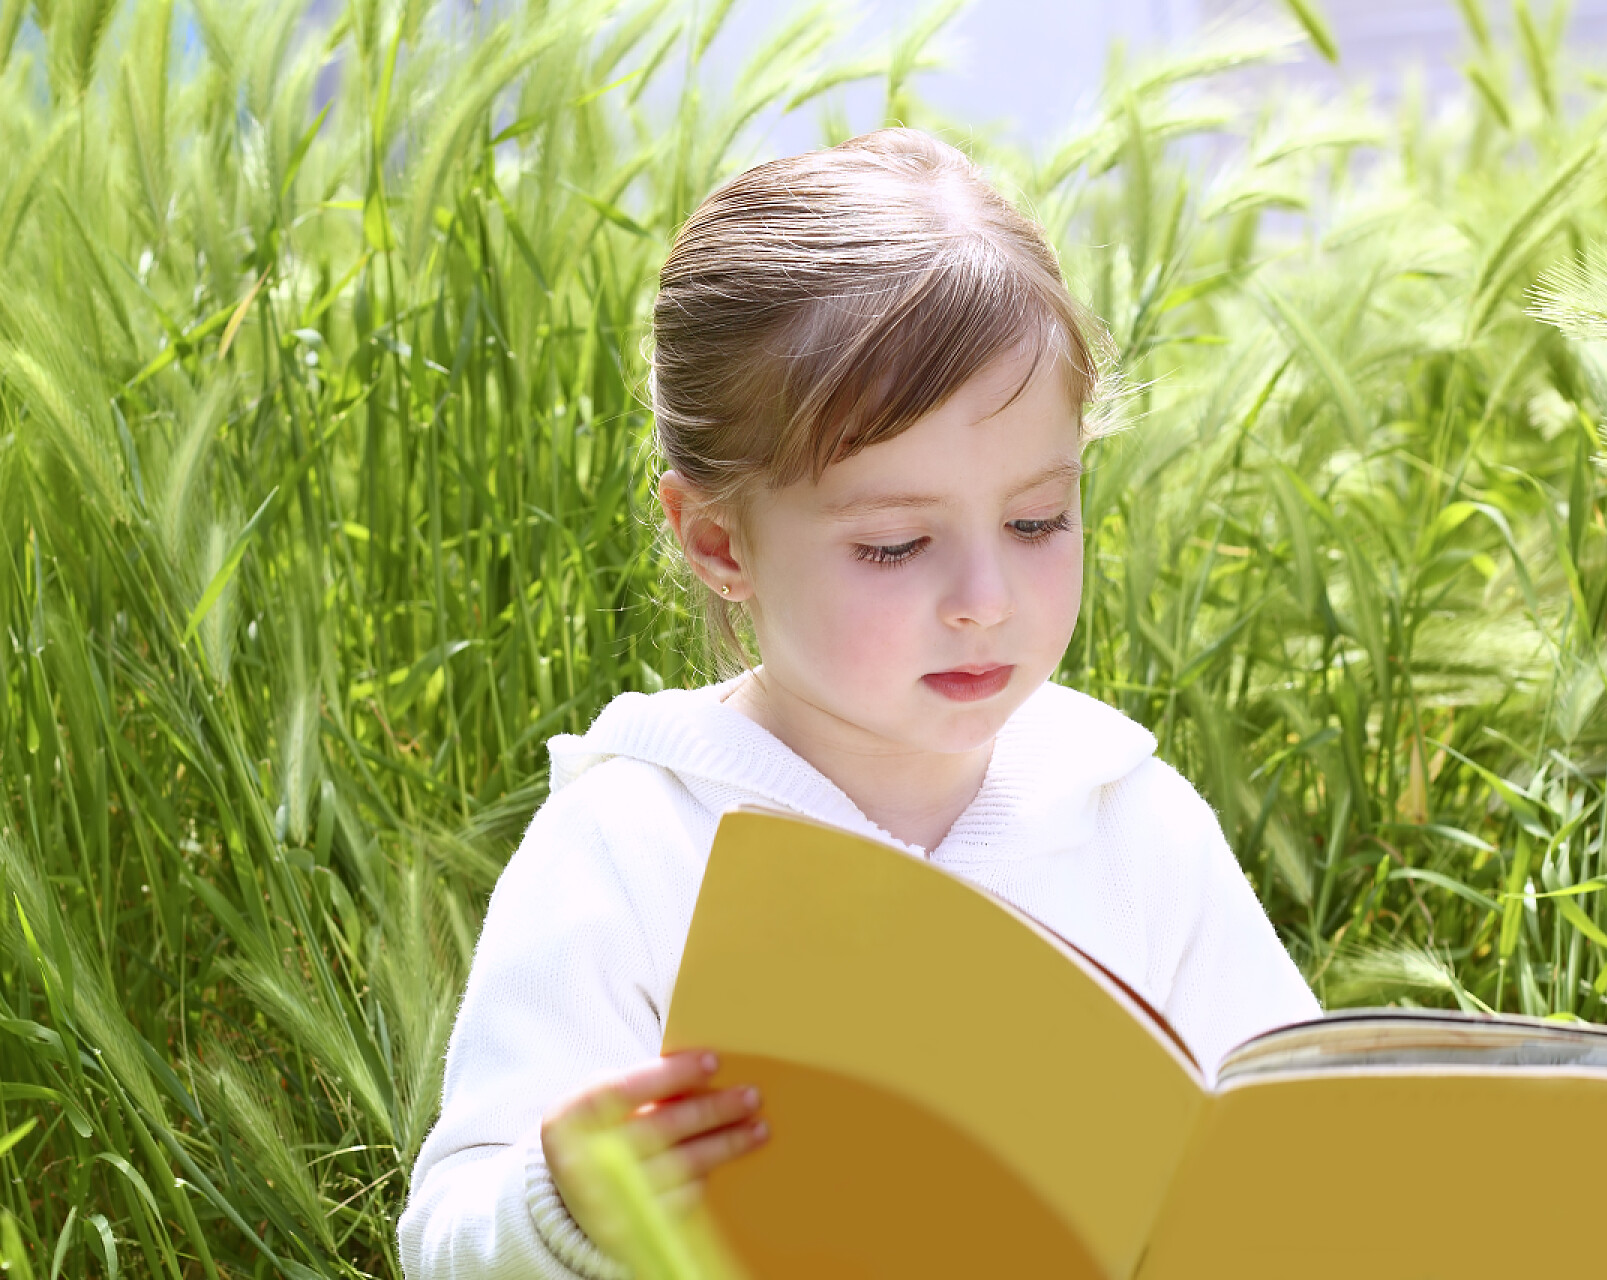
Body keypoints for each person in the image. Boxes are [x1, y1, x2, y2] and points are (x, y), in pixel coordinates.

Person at [395, 126, 1322, 1279]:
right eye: (894, 545)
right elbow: (443, 1241)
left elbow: (1298, 1151)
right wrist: (562, 1205)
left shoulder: (1130, 818)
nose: (985, 599)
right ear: (719, 540)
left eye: (1037, 521)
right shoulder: (632, 847)